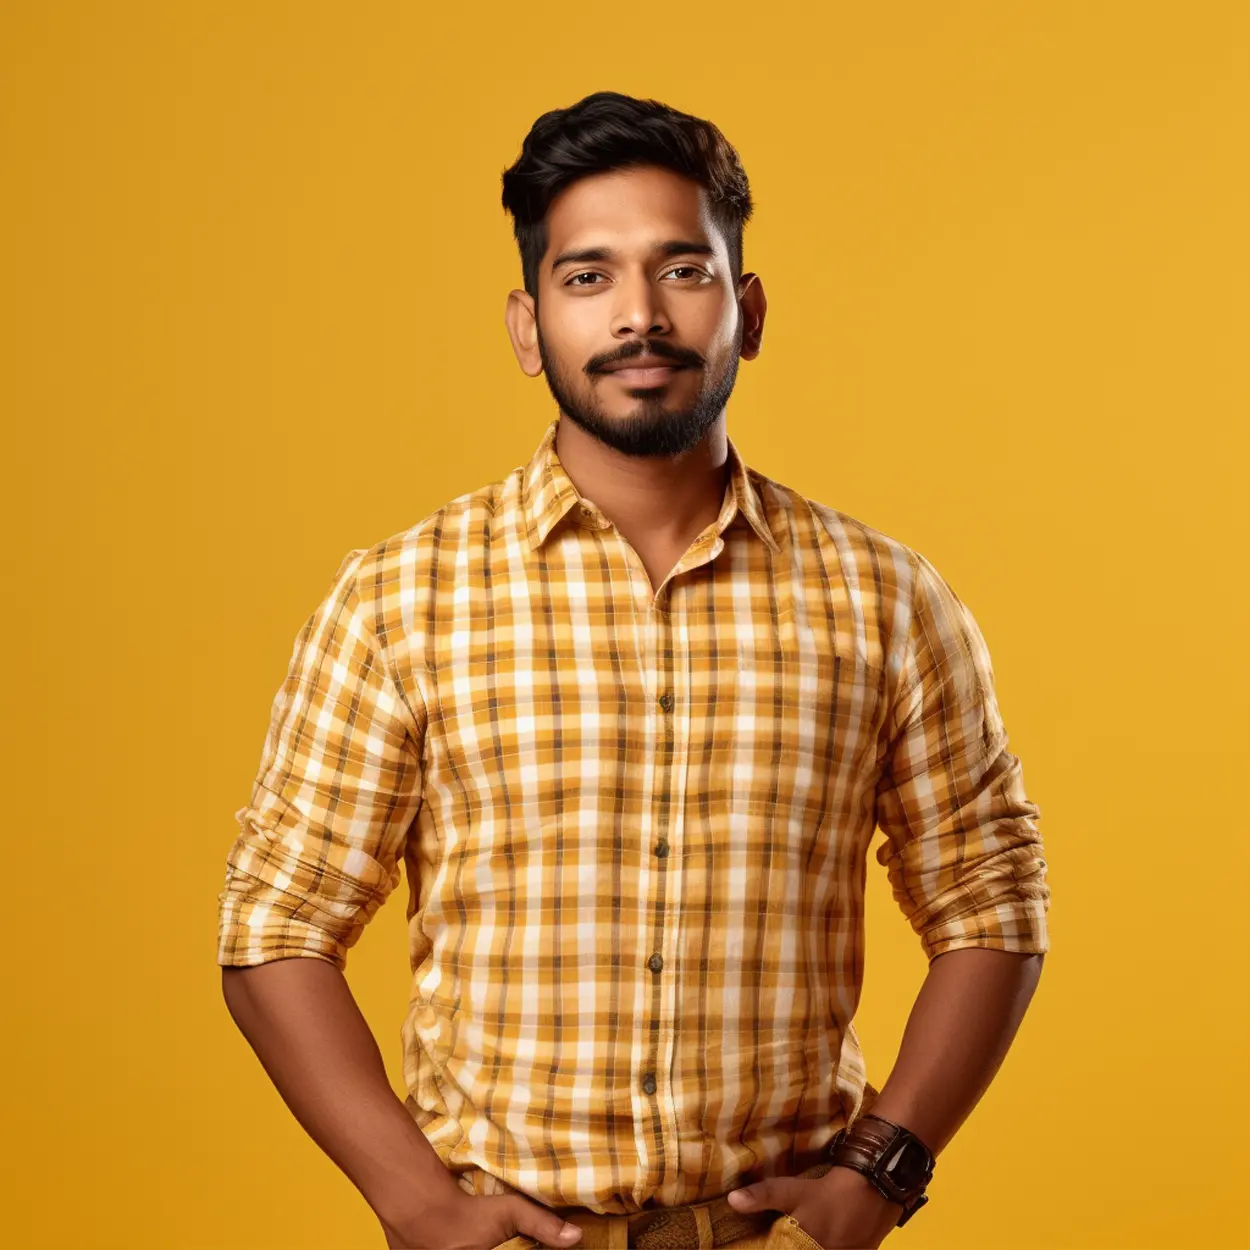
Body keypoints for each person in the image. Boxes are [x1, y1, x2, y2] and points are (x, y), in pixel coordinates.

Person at [217, 91, 1051, 1250]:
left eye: (683, 271)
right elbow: (275, 927)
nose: (640, 316)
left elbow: (992, 898)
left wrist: (882, 1170)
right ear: (527, 328)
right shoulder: (398, 600)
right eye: (587, 277)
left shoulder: (888, 601)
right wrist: (412, 1201)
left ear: (747, 310)